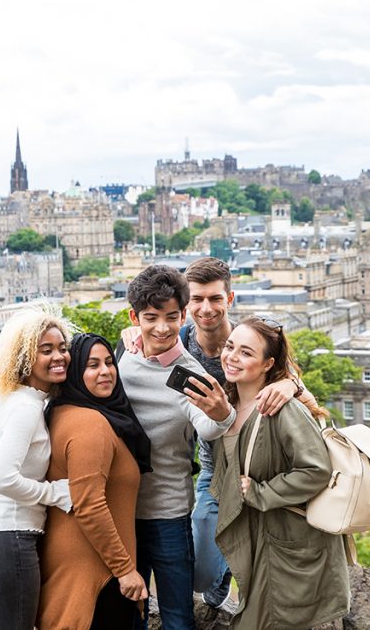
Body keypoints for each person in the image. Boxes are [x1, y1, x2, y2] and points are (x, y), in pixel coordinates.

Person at [119, 257, 313, 612]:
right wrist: (132, 332)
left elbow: (298, 386)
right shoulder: (175, 340)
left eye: (215, 299)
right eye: (197, 300)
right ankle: (218, 584)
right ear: (185, 305)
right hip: (212, 469)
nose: (206, 309)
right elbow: (148, 331)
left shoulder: (248, 340)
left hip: (255, 467)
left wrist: (289, 385)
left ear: (230, 299)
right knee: (200, 575)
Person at [118, 264, 236, 630]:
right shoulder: (119, 360)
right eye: (151, 318)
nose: (162, 328)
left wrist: (222, 415)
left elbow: (207, 425)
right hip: (121, 511)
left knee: (178, 618)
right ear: (134, 317)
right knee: (125, 614)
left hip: (169, 512)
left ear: (182, 316)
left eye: (172, 317)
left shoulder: (188, 373)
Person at [212, 317, 350, 629]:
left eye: (246, 353)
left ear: (267, 364)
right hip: (260, 539)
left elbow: (316, 470)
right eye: (230, 346)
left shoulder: (283, 408)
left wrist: (260, 492)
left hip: (286, 543)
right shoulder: (228, 403)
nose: (232, 357)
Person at [0, 306, 75, 630]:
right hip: (9, 539)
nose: (59, 356)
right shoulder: (26, 409)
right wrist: (54, 493)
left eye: (62, 348)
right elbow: (2, 478)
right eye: (46, 350)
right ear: (24, 358)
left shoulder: (18, 400)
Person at [39, 333, 152, 630]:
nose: (105, 371)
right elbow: (89, 503)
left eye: (108, 362)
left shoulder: (62, 411)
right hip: (97, 570)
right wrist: (125, 569)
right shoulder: (92, 425)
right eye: (91, 365)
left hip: (83, 562)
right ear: (75, 372)